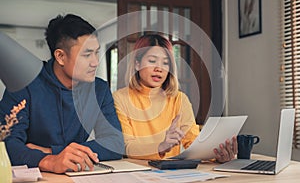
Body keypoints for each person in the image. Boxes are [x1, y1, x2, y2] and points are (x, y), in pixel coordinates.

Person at [0, 14, 124, 173]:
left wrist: (52, 151)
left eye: (96, 52)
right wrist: (49, 161)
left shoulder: (99, 89)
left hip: (77, 173)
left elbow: (115, 143)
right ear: (60, 56)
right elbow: (6, 144)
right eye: (87, 54)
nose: (95, 62)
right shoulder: (24, 85)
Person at [113, 34, 237, 163]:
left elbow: (193, 142)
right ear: (137, 64)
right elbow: (127, 147)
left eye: (165, 63)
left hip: (171, 173)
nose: (159, 68)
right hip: (135, 172)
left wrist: (216, 154)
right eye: (152, 61)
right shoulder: (120, 98)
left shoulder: (179, 99)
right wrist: (161, 146)